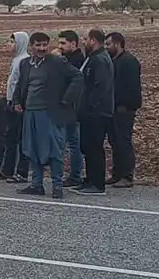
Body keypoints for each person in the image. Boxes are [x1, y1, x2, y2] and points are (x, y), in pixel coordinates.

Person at [12, 32, 82, 199]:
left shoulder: (57, 62)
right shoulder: (25, 64)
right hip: (31, 112)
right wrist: (16, 102)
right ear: (32, 46)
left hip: (50, 113)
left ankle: (57, 185)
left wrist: (66, 99)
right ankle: (37, 184)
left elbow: (77, 77)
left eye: (44, 45)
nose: (42, 48)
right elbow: (21, 85)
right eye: (38, 45)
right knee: (32, 148)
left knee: (54, 150)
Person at [74, 29, 115, 195]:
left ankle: (97, 184)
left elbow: (101, 87)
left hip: (97, 112)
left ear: (93, 40)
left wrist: (90, 105)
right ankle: (90, 179)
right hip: (88, 111)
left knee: (94, 147)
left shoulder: (100, 60)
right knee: (88, 146)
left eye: (86, 39)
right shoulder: (92, 58)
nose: (84, 42)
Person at [106, 31, 140, 188]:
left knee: (123, 141)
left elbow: (131, 87)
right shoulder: (115, 61)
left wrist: (124, 104)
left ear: (117, 44)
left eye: (108, 44)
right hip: (114, 107)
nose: (106, 47)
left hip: (124, 108)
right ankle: (117, 173)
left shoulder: (129, 61)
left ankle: (127, 175)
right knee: (115, 141)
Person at [0, 32, 31, 183]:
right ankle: (7, 170)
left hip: (18, 105)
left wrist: (17, 101)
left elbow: (20, 85)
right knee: (10, 137)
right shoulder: (16, 60)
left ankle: (21, 172)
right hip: (11, 102)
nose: (10, 45)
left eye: (12, 42)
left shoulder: (24, 61)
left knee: (20, 139)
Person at [57, 30, 86, 187]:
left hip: (71, 108)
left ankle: (75, 175)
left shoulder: (76, 60)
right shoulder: (69, 58)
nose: (60, 46)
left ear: (73, 44)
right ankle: (73, 174)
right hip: (68, 107)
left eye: (63, 43)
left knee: (73, 143)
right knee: (70, 142)